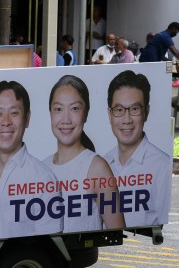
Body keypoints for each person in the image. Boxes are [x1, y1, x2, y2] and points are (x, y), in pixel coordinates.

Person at [43, 75, 124, 233]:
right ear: (50, 113)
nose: (66, 119)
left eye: (74, 109)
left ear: (85, 113)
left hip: (80, 254)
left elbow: (116, 229)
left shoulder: (96, 167)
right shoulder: (42, 167)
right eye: (58, 109)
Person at [0, 80, 62, 237]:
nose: (5, 122)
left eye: (14, 113)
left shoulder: (43, 179)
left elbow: (50, 242)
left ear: (27, 118)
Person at [102, 70, 172, 227]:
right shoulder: (102, 163)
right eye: (119, 110)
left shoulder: (162, 165)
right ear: (109, 114)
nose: (127, 120)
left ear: (146, 112)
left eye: (134, 109)